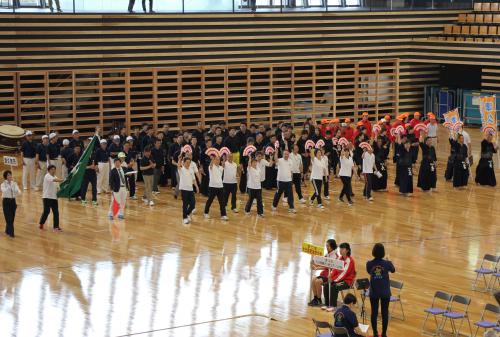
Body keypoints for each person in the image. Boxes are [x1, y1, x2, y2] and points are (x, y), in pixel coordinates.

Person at [366, 243, 395, 337]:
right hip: (385, 292)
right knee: (384, 313)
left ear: (373, 252)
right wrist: (388, 261)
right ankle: (384, 334)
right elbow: (393, 270)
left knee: (374, 313)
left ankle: (375, 333)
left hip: (374, 291)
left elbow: (369, 271)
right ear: (383, 252)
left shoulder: (369, 264)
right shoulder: (387, 263)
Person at [326, 242, 356, 312]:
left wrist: (333, 280)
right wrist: (330, 275)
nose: (340, 250)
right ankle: (327, 304)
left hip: (347, 281)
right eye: (340, 249)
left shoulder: (350, 261)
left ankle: (333, 306)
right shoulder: (340, 258)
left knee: (334, 286)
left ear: (347, 250)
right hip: (339, 279)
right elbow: (334, 269)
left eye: (342, 249)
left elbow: (344, 273)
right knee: (326, 285)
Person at [308, 239, 338, 307]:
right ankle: (316, 298)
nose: (326, 247)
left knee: (318, 282)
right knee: (313, 280)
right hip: (325, 274)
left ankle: (319, 300)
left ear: (332, 247)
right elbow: (322, 262)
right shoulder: (328, 254)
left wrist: (317, 268)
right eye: (326, 246)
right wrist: (314, 263)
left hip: (331, 276)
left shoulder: (335, 256)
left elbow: (327, 267)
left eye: (328, 246)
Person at [39, 165, 63, 231]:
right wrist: (63, 180)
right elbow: (54, 180)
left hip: (54, 198)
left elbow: (58, 188)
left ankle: (56, 227)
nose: (53, 170)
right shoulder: (47, 176)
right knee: (46, 211)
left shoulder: (55, 177)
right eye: (52, 169)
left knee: (56, 212)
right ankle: (41, 223)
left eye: (54, 169)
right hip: (47, 197)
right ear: (49, 170)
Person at [204, 155, 228, 221]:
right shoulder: (211, 167)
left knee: (222, 202)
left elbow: (223, 165)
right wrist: (212, 159)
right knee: (210, 200)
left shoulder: (220, 167)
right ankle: (206, 213)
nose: (218, 161)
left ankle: (223, 215)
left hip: (220, 186)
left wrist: (223, 159)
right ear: (214, 160)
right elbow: (211, 165)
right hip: (212, 186)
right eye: (216, 159)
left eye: (218, 160)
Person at [271, 149, 296, 213]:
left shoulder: (290, 161)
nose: (286, 155)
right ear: (283, 154)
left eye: (287, 154)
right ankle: (274, 205)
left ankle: (291, 207)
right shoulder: (280, 160)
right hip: (280, 181)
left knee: (290, 194)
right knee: (278, 194)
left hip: (289, 181)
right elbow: (276, 159)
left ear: (288, 155)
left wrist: (291, 180)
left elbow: (291, 171)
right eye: (285, 154)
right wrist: (276, 153)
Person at [178, 155, 198, 225]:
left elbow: (193, 179)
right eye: (187, 162)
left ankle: (187, 214)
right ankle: (184, 218)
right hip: (184, 189)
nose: (188, 164)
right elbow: (178, 166)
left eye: (189, 162)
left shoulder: (191, 170)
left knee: (193, 204)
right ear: (184, 163)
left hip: (191, 189)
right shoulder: (181, 169)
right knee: (185, 204)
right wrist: (179, 159)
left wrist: (197, 186)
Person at [1, 170, 20, 238]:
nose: (10, 176)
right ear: (6, 176)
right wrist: (10, 186)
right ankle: (11, 233)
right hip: (6, 202)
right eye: (8, 175)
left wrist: (17, 190)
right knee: (8, 218)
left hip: (13, 202)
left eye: (10, 175)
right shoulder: (3, 184)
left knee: (12, 218)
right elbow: (4, 191)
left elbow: (18, 190)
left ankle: (7, 230)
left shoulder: (14, 183)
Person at [80, 140, 98, 206]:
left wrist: (96, 167)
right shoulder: (83, 154)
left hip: (93, 173)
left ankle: (94, 200)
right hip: (86, 173)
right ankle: (83, 199)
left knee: (94, 187)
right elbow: (81, 166)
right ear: (84, 145)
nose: (88, 145)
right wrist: (89, 167)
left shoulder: (94, 153)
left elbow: (96, 163)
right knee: (84, 187)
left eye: (89, 144)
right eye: (86, 144)